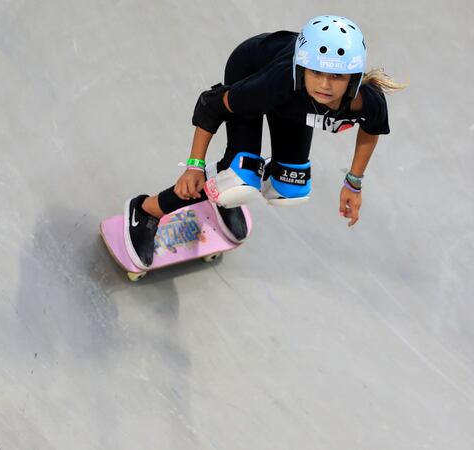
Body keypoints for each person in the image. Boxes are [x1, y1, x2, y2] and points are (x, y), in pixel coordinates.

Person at [124, 15, 406, 269]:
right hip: (253, 69)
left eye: (337, 76)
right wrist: (194, 166)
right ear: (302, 70)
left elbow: (372, 129)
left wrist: (353, 183)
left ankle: (231, 190)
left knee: (291, 187)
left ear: (354, 80)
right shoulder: (275, 85)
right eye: (316, 72)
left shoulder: (366, 102)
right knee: (237, 176)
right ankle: (146, 210)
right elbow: (211, 105)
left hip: (293, 104)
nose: (325, 85)